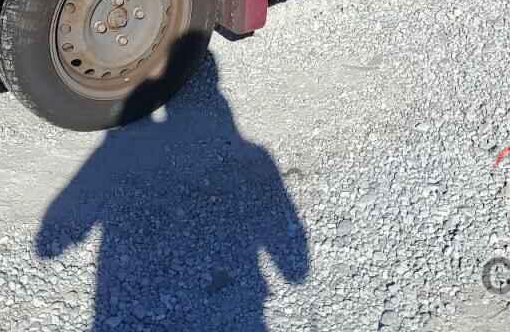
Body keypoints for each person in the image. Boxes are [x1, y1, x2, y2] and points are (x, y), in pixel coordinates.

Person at [36, 42, 308, 331]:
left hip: (128, 302)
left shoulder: (116, 149)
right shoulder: (257, 156)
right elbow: (296, 268)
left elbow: (48, 244)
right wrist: (292, 268)